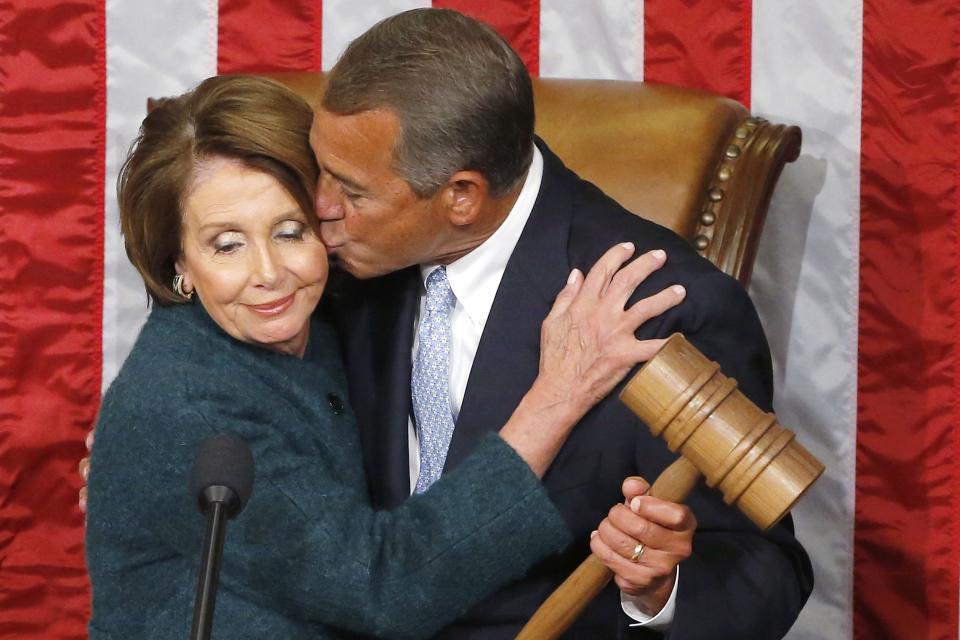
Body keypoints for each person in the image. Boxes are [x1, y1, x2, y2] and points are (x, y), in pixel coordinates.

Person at [84, 75, 682, 639]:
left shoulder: (336, 310)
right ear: (178, 265)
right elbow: (384, 588)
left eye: (290, 230)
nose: (268, 274)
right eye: (227, 244)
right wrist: (557, 396)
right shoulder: (184, 402)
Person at [311, 8, 814, 638]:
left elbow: (765, 570)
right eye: (320, 170)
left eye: (352, 192)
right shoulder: (338, 262)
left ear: (461, 196)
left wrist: (661, 587)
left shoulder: (661, 311)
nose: (320, 207)